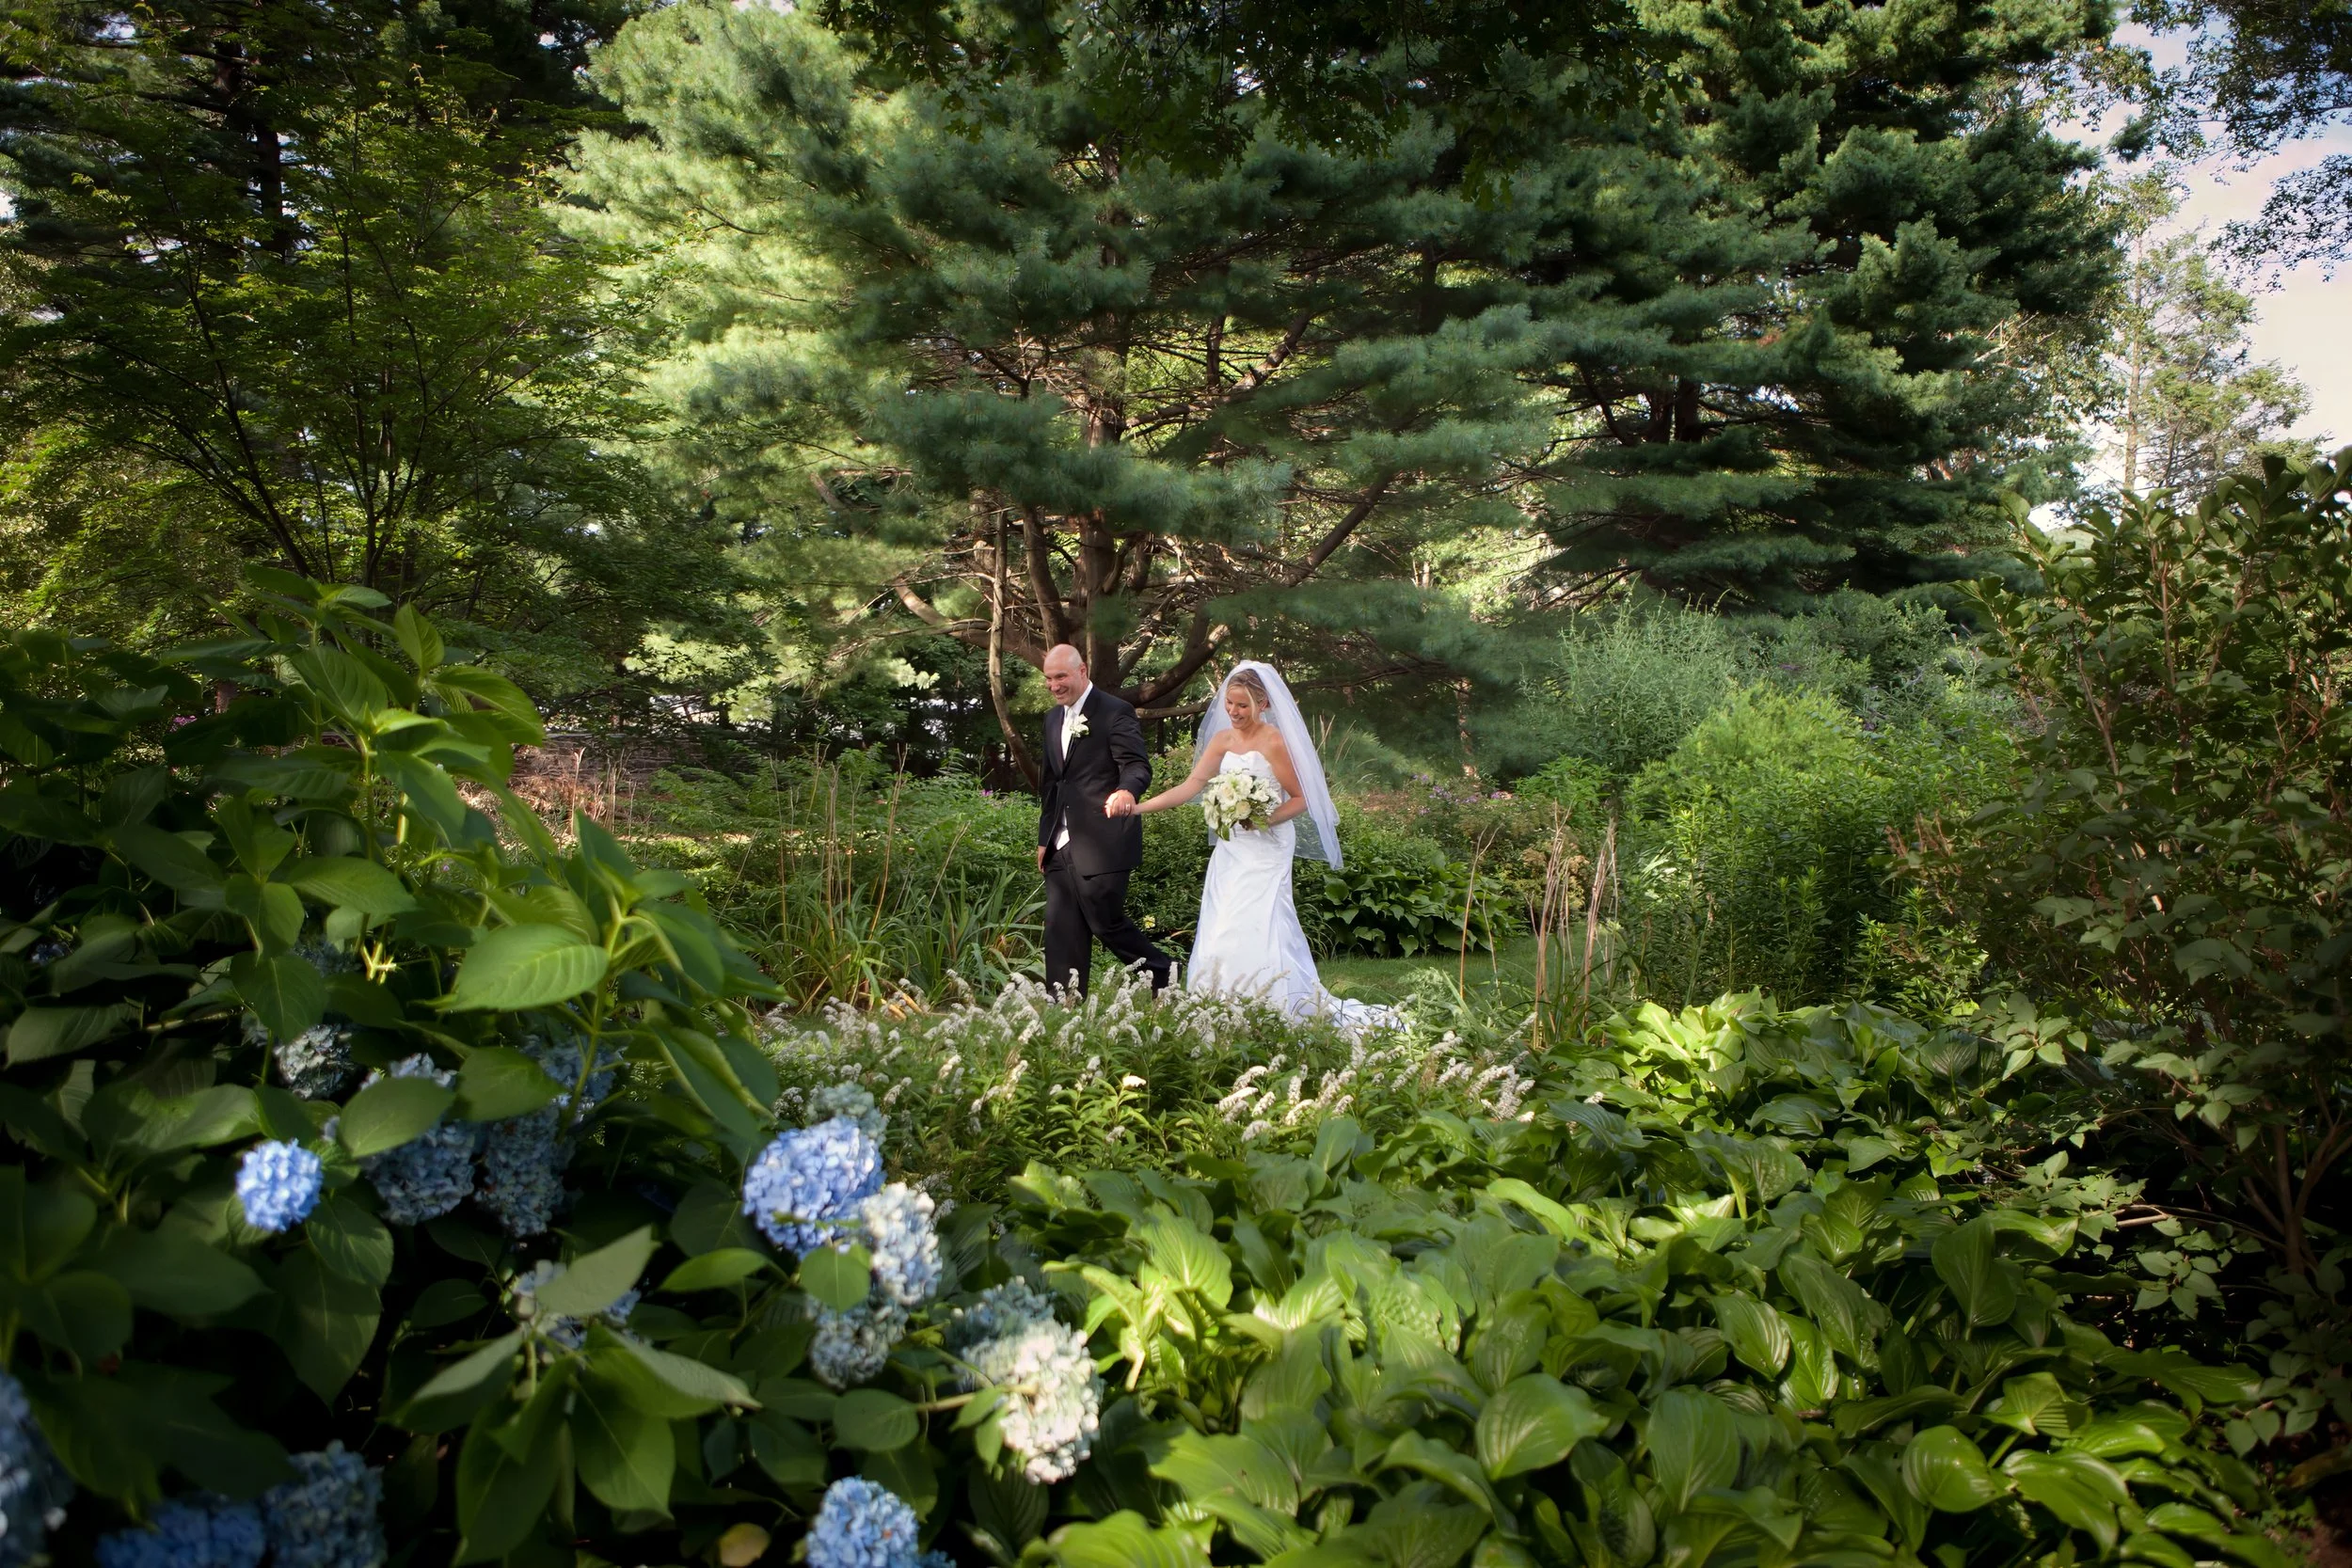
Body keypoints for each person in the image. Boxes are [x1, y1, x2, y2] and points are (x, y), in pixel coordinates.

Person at [1110, 661, 1394, 1034]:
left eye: (1242, 705)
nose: (1233, 712)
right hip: (1232, 847)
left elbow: (1301, 798)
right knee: (1220, 922)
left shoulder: (1274, 741)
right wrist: (1138, 806)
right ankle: (1215, 1006)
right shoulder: (1223, 740)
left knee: (1258, 922)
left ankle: (1270, 1005)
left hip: (1268, 846)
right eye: (1229, 703)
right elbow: (1193, 784)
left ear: (1262, 703)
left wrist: (1262, 818)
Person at [1035, 643, 1171, 996]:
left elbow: (1138, 765)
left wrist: (1127, 791)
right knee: (1060, 925)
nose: (1054, 685)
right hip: (1059, 842)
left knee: (1104, 921)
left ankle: (1163, 972)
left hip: (1103, 837)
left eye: (1061, 676)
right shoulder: (1052, 719)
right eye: (1049, 678)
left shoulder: (1115, 711)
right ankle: (1063, 1000)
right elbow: (1052, 783)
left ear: (1082, 671)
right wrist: (1043, 838)